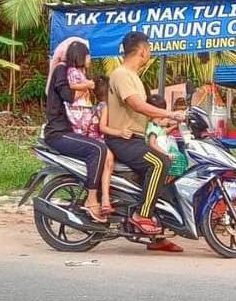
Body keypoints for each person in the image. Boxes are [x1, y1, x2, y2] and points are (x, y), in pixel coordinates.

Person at [104, 31, 186, 243]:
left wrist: (170, 120)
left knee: (168, 170)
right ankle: (142, 215)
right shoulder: (121, 75)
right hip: (123, 140)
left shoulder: (133, 77)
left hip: (135, 139)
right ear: (142, 50)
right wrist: (170, 113)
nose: (149, 52)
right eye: (149, 49)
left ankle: (159, 236)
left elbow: (148, 111)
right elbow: (138, 106)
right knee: (160, 162)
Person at [44, 38, 111, 223]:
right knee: (97, 149)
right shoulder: (61, 69)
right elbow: (68, 95)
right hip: (58, 132)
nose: (90, 58)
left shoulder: (75, 74)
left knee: (105, 147)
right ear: (80, 55)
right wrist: (87, 86)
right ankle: (91, 199)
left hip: (69, 131)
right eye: (88, 55)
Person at [91, 75, 132, 216]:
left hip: (99, 139)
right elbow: (102, 128)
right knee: (109, 164)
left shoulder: (100, 106)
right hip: (100, 140)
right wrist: (120, 132)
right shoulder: (105, 106)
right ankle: (105, 199)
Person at [145, 95, 188, 179]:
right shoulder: (152, 127)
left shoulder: (157, 125)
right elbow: (152, 143)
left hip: (163, 152)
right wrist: (166, 154)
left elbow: (163, 132)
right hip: (160, 154)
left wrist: (175, 126)